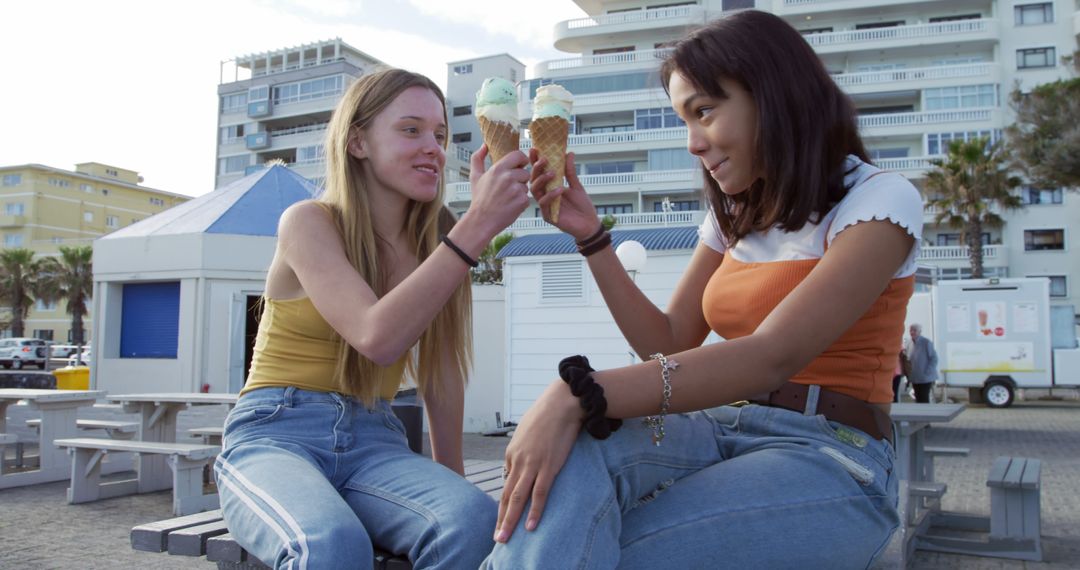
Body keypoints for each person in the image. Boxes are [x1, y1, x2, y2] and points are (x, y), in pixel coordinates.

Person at [484, 10, 924, 569]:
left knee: (609, 551)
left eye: (704, 112)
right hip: (718, 429)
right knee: (567, 461)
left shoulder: (879, 200)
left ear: (774, 93)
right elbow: (667, 342)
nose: (693, 143)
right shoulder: (735, 216)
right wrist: (591, 237)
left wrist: (579, 390)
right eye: (683, 120)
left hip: (832, 453)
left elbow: (772, 355)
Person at [213, 68, 531, 569]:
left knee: (472, 523)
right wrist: (478, 227)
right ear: (358, 141)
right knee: (331, 544)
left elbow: (442, 367)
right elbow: (375, 336)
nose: (433, 147)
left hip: (376, 440)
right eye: (411, 130)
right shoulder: (309, 222)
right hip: (275, 433)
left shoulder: (440, 235)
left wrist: (452, 477)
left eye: (441, 135)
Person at [904, 323, 939, 403]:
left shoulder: (926, 342)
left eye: (914, 330)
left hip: (925, 377)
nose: (912, 332)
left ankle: (926, 414)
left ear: (920, 332)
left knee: (923, 398)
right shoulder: (909, 343)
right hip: (915, 377)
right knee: (917, 398)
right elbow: (907, 358)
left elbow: (934, 358)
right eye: (911, 330)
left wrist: (927, 371)